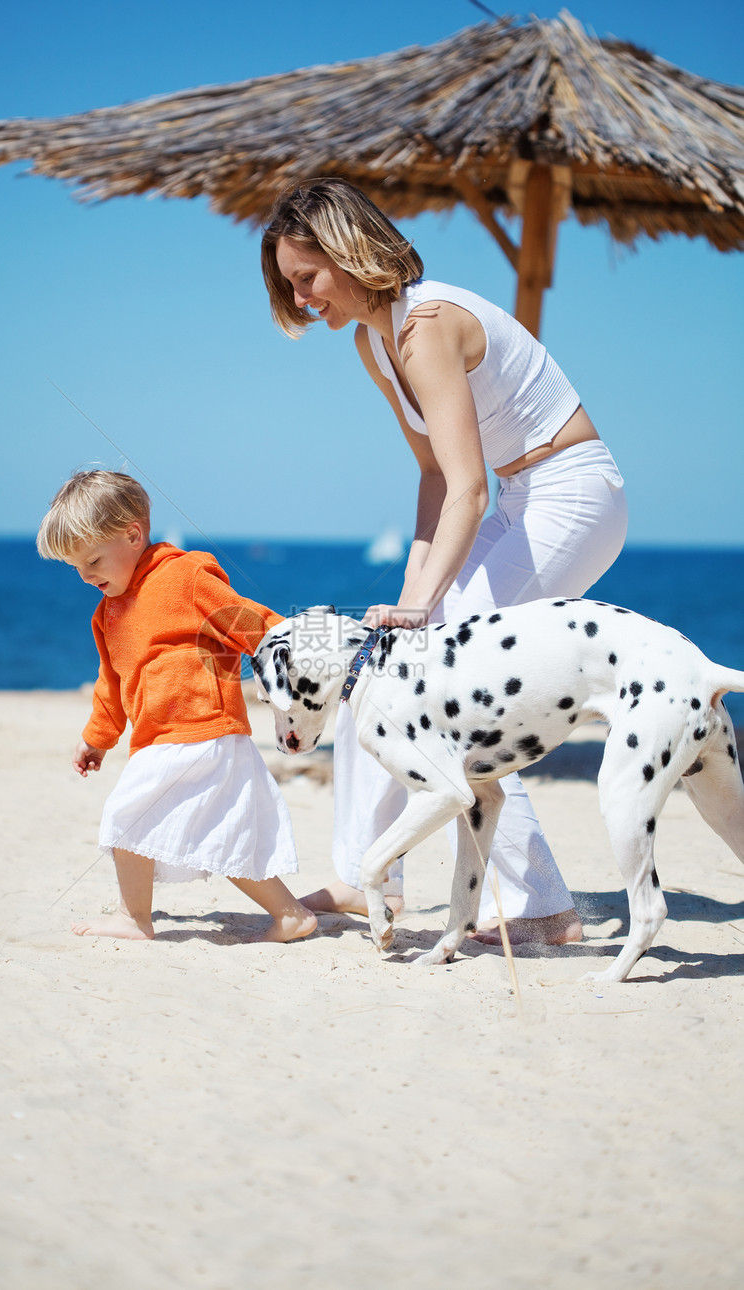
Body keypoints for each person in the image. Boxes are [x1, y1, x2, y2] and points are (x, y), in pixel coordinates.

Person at [261, 177, 628, 945]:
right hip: (520, 501)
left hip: (574, 495)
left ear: (348, 251)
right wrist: (409, 594)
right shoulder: (374, 341)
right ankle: (368, 875)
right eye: (290, 286)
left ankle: (541, 908)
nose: (300, 300)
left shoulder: (427, 324)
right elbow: (433, 476)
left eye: (307, 278)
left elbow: (467, 485)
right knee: (380, 664)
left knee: (454, 689)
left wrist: (428, 604)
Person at [37, 469, 317, 944]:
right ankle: (290, 915)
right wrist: (96, 739)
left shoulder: (183, 577)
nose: (86, 575)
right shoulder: (107, 616)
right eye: (75, 567)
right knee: (223, 836)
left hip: (203, 730)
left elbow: (249, 621)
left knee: (125, 818)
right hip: (167, 741)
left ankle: (133, 919)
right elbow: (112, 684)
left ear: (133, 534)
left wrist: (300, 651)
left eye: (94, 559)